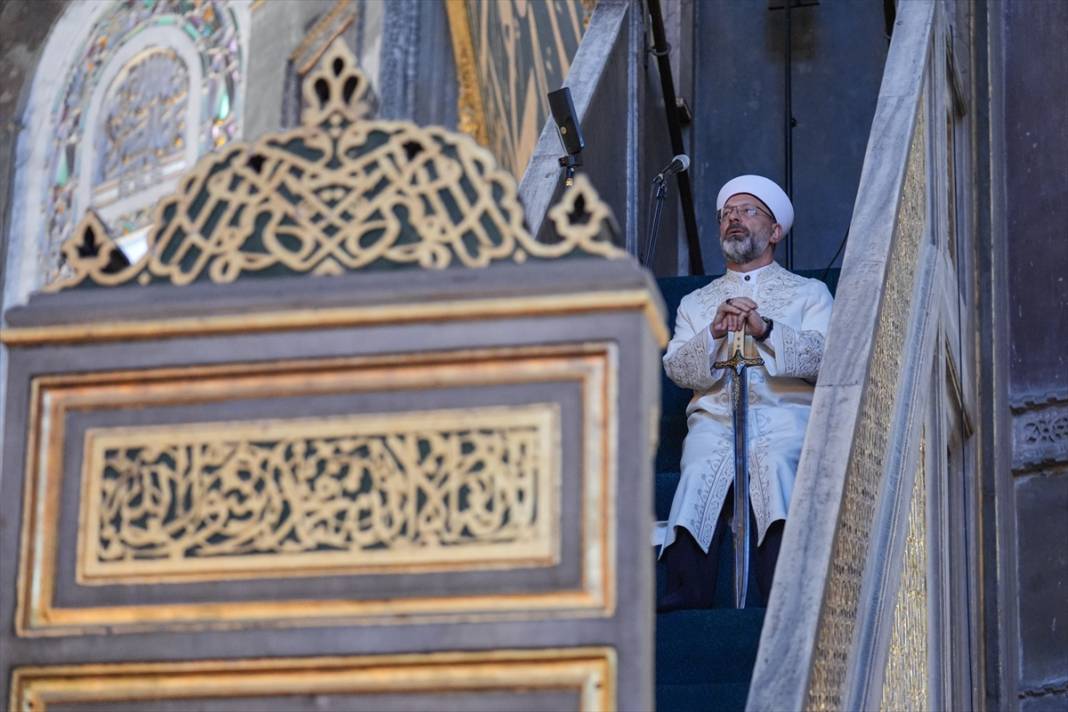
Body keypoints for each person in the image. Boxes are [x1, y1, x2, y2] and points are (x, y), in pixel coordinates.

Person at [657, 174, 833, 610]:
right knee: (698, 469)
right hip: (715, 420)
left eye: (748, 211)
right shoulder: (695, 303)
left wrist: (766, 329)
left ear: (775, 231)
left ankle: (784, 592)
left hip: (785, 416)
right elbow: (677, 369)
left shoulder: (809, 293)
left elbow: (827, 357)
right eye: (727, 214)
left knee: (776, 461)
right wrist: (714, 333)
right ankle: (686, 591)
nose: (734, 218)